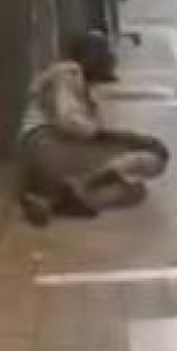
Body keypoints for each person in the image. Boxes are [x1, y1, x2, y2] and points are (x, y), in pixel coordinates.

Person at [18, 50, 169, 226]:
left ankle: (55, 202)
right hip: (45, 142)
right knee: (143, 162)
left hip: (55, 149)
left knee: (134, 192)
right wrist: (112, 136)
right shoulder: (68, 73)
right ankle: (78, 188)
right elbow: (70, 121)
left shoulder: (81, 86)